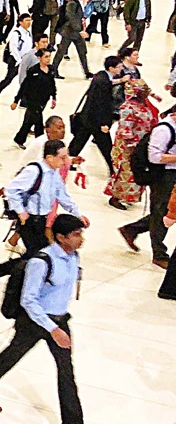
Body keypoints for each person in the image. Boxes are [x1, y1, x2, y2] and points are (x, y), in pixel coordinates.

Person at [0, 215, 103, 424]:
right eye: (76, 234)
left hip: (58, 320)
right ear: (61, 237)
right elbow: (29, 300)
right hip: (35, 321)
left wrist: (58, 324)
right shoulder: (41, 262)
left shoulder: (73, 258)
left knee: (66, 371)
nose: (81, 239)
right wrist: (52, 329)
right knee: (14, 352)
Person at [119, 102, 176, 268]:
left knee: (168, 211)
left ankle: (133, 229)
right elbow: (154, 157)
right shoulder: (163, 130)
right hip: (162, 175)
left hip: (172, 173)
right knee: (162, 212)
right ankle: (159, 253)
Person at [105, 79, 158, 210]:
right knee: (125, 173)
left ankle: (129, 196)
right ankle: (115, 197)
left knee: (137, 172)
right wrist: (134, 146)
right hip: (128, 148)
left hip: (142, 145)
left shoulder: (145, 105)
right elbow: (125, 129)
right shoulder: (127, 108)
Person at [68, 55, 123, 170]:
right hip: (96, 121)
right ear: (111, 68)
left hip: (86, 117)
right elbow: (100, 105)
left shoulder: (101, 76)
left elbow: (108, 83)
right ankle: (113, 169)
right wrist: (104, 123)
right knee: (106, 146)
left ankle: (66, 162)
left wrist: (119, 81)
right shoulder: (103, 83)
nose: (121, 69)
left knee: (78, 141)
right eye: (119, 67)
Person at [11, 48, 57, 146]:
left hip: (44, 100)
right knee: (38, 122)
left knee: (29, 121)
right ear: (39, 58)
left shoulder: (51, 69)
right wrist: (16, 100)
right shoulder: (33, 71)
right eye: (46, 57)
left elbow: (52, 84)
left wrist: (54, 97)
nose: (48, 59)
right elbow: (24, 86)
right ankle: (40, 143)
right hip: (32, 100)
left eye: (49, 57)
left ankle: (19, 139)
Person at [54, 0, 93, 80]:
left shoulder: (83, 3)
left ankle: (86, 72)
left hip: (77, 32)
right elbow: (71, 18)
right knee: (61, 52)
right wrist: (80, 30)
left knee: (82, 52)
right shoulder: (73, 3)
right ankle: (53, 70)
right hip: (69, 32)